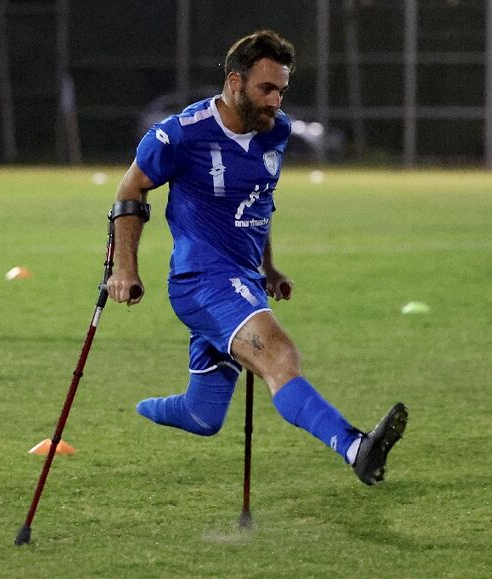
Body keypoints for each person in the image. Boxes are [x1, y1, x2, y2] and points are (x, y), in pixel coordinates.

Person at [105, 30, 407, 485]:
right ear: (234, 82)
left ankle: (142, 407)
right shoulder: (180, 135)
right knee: (280, 355)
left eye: (282, 90)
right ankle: (355, 447)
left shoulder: (277, 131)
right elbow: (130, 191)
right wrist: (125, 268)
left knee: (204, 415)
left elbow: (259, 202)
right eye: (266, 89)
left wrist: (267, 268)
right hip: (201, 281)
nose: (276, 101)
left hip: (243, 278)